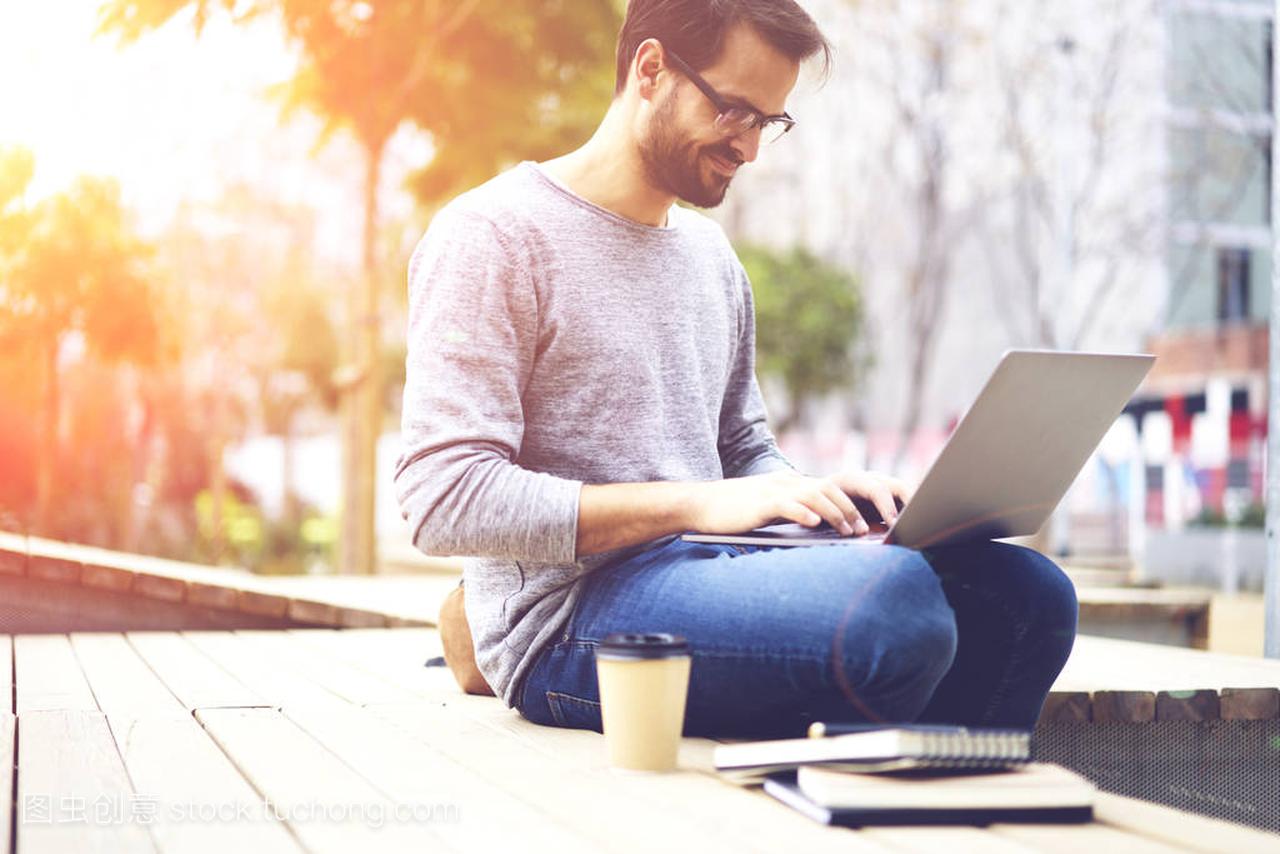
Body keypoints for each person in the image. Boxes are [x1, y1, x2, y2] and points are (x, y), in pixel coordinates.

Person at [394, 0, 1078, 738]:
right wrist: (692, 505)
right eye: (733, 112)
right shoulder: (493, 237)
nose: (750, 149)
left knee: (1030, 595)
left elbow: (744, 451)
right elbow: (443, 499)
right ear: (650, 70)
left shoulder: (709, 258)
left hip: (710, 568)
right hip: (570, 621)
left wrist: (820, 508)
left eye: (768, 123)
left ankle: (938, 806)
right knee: (894, 607)